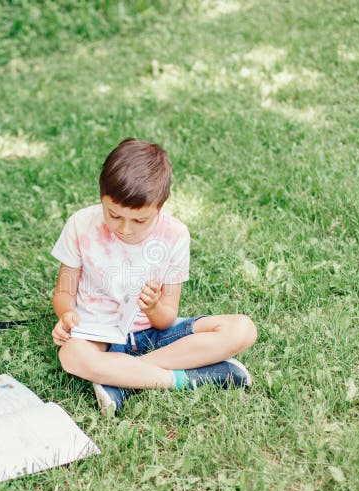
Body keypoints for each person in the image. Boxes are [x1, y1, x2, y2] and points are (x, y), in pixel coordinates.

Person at [51, 138, 258, 415]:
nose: (124, 228)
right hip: (99, 336)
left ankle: (123, 379)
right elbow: (64, 292)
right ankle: (185, 378)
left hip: (155, 333)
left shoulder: (174, 235)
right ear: (101, 196)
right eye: (113, 215)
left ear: (161, 205)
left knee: (242, 329)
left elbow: (167, 318)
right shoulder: (80, 225)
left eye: (139, 220)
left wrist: (153, 307)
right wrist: (66, 315)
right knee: (71, 355)